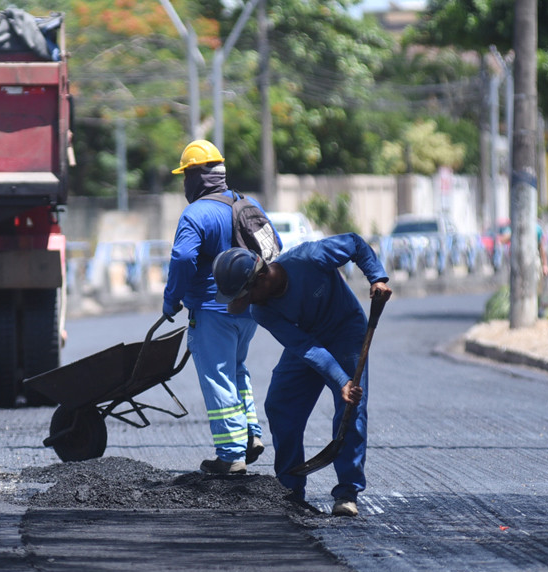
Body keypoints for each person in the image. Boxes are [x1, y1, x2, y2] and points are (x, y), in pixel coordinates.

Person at [213, 237, 391, 517]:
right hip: (307, 342)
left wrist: (377, 277)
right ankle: (290, 489)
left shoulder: (309, 257)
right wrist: (339, 380)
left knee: (351, 406)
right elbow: (305, 347)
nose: (245, 305)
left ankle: (347, 492)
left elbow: (355, 244)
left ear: (260, 281)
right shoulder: (261, 310)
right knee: (279, 404)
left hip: (346, 333)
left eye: (244, 297)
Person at [162, 139, 278, 476]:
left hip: (213, 312)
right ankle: (251, 436)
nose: (184, 183)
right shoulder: (248, 203)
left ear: (196, 176)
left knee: (218, 378)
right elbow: (274, 246)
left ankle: (230, 455)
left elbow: (183, 257)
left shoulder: (196, 213)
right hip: (249, 310)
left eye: (185, 175)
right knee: (238, 370)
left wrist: (172, 300)